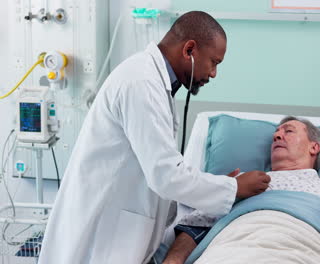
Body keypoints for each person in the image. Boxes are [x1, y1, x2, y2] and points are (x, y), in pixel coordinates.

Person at [38, 11, 270, 264]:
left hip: (122, 231)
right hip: (100, 236)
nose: (213, 73)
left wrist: (215, 187)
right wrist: (233, 188)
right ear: (189, 50)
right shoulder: (141, 83)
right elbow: (165, 175)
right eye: (214, 62)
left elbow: (163, 167)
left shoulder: (154, 83)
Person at [162, 116, 320, 264]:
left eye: (288, 131)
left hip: (306, 251)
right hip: (232, 250)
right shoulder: (241, 184)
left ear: (314, 147)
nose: (277, 135)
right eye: (277, 133)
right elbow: (194, 227)